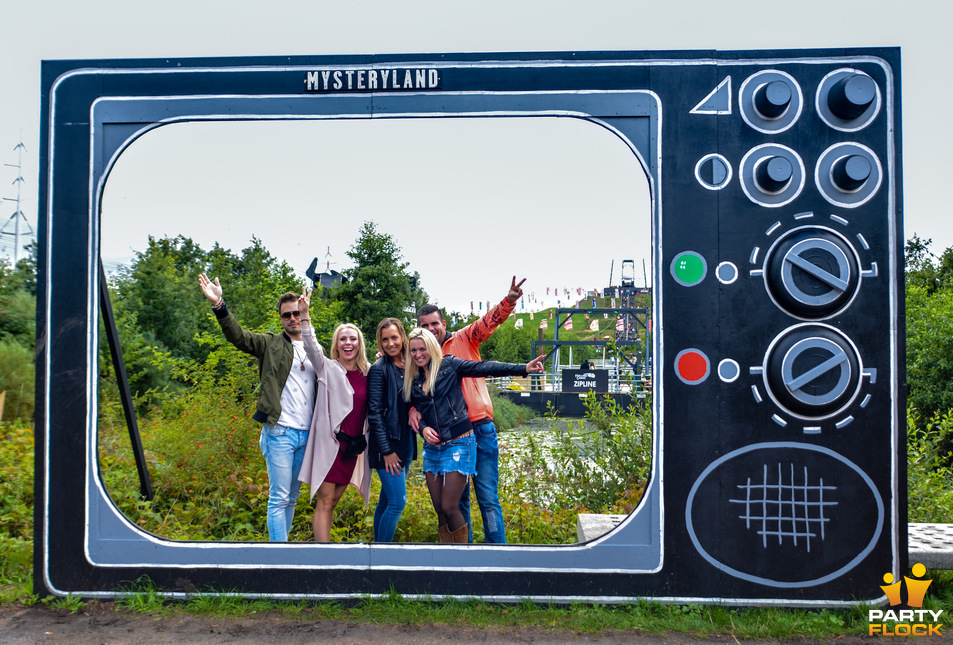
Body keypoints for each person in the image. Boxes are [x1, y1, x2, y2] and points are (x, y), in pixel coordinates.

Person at [198, 273, 314, 542]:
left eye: (297, 313)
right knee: (279, 498)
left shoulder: (314, 345)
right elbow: (238, 337)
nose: (293, 318)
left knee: (293, 498)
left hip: (307, 433)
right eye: (287, 315)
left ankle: (282, 553)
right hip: (280, 432)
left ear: (304, 313)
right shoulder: (270, 343)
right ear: (281, 319)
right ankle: (278, 560)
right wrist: (219, 306)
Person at [403, 327, 544, 543]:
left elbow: (484, 367)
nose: (418, 354)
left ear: (432, 348)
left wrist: (523, 368)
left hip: (459, 442)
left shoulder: (449, 365)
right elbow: (413, 407)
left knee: (451, 506)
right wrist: (421, 427)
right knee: (440, 508)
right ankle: (449, 560)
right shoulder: (413, 377)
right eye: (413, 350)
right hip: (433, 448)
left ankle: (463, 560)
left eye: (422, 349)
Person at [414, 276, 525, 543]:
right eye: (424, 326)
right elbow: (407, 387)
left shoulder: (463, 339)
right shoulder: (420, 355)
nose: (431, 329)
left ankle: (498, 553)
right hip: (451, 436)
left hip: (478, 427)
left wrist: (508, 301)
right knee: (456, 502)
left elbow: (488, 322)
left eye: (434, 324)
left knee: (487, 496)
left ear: (444, 324)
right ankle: (467, 555)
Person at [297, 294, 371, 542]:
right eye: (343, 339)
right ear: (337, 344)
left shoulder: (368, 372)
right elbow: (310, 345)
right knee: (325, 502)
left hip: (352, 447)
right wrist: (305, 314)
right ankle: (323, 556)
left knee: (335, 500)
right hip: (331, 447)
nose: (348, 343)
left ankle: (323, 547)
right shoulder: (327, 367)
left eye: (353, 339)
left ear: (359, 344)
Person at [367, 318, 417, 542]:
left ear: (402, 336)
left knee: (387, 500)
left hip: (406, 442)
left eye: (394, 337)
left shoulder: (412, 365)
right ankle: (382, 554)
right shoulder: (379, 369)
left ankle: (376, 550)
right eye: (385, 339)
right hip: (387, 446)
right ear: (379, 342)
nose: (390, 343)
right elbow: (375, 413)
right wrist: (386, 451)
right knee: (398, 502)